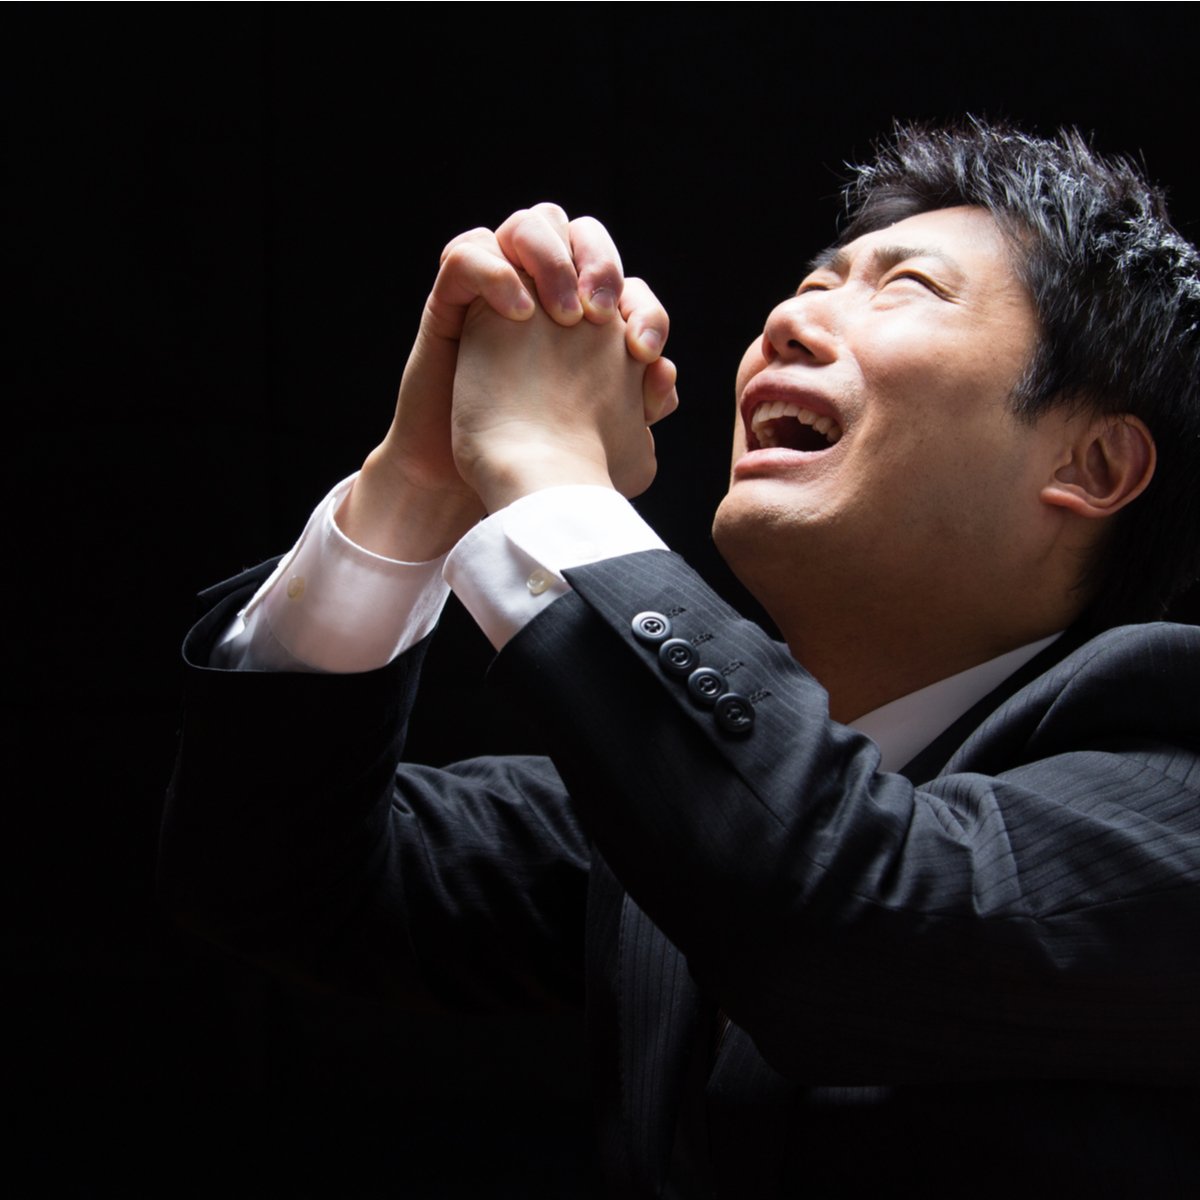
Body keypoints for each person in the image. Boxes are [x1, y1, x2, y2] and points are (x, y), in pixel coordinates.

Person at [163, 121, 1200, 1195]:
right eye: (813, 282)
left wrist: (547, 470)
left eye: (907, 288)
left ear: (1094, 464)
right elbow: (271, 876)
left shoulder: (1175, 789)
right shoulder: (665, 816)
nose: (789, 319)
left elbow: (847, 913)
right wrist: (423, 484)